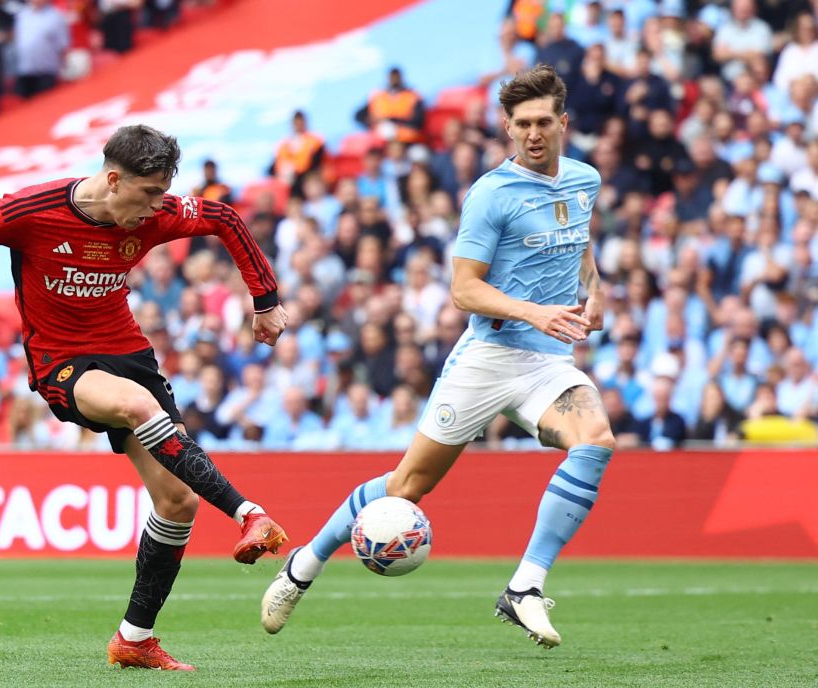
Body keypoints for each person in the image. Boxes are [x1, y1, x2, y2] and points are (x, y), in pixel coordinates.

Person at [0, 124, 290, 671]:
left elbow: (227, 218)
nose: (155, 209)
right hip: (63, 363)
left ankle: (134, 639)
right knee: (140, 406)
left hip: (129, 355)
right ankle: (248, 513)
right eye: (146, 194)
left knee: (177, 502)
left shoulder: (156, 214)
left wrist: (266, 301)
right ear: (113, 180)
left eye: (163, 194)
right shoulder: (30, 212)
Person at [262, 64, 615, 649]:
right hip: (489, 355)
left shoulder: (584, 180)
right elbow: (464, 290)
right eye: (522, 123)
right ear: (506, 127)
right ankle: (305, 564)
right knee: (407, 486)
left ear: (563, 123)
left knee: (596, 441)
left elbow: (578, 239)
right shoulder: (490, 194)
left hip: (547, 362)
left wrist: (595, 289)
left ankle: (525, 587)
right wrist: (536, 312)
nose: (533, 133)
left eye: (543, 122)